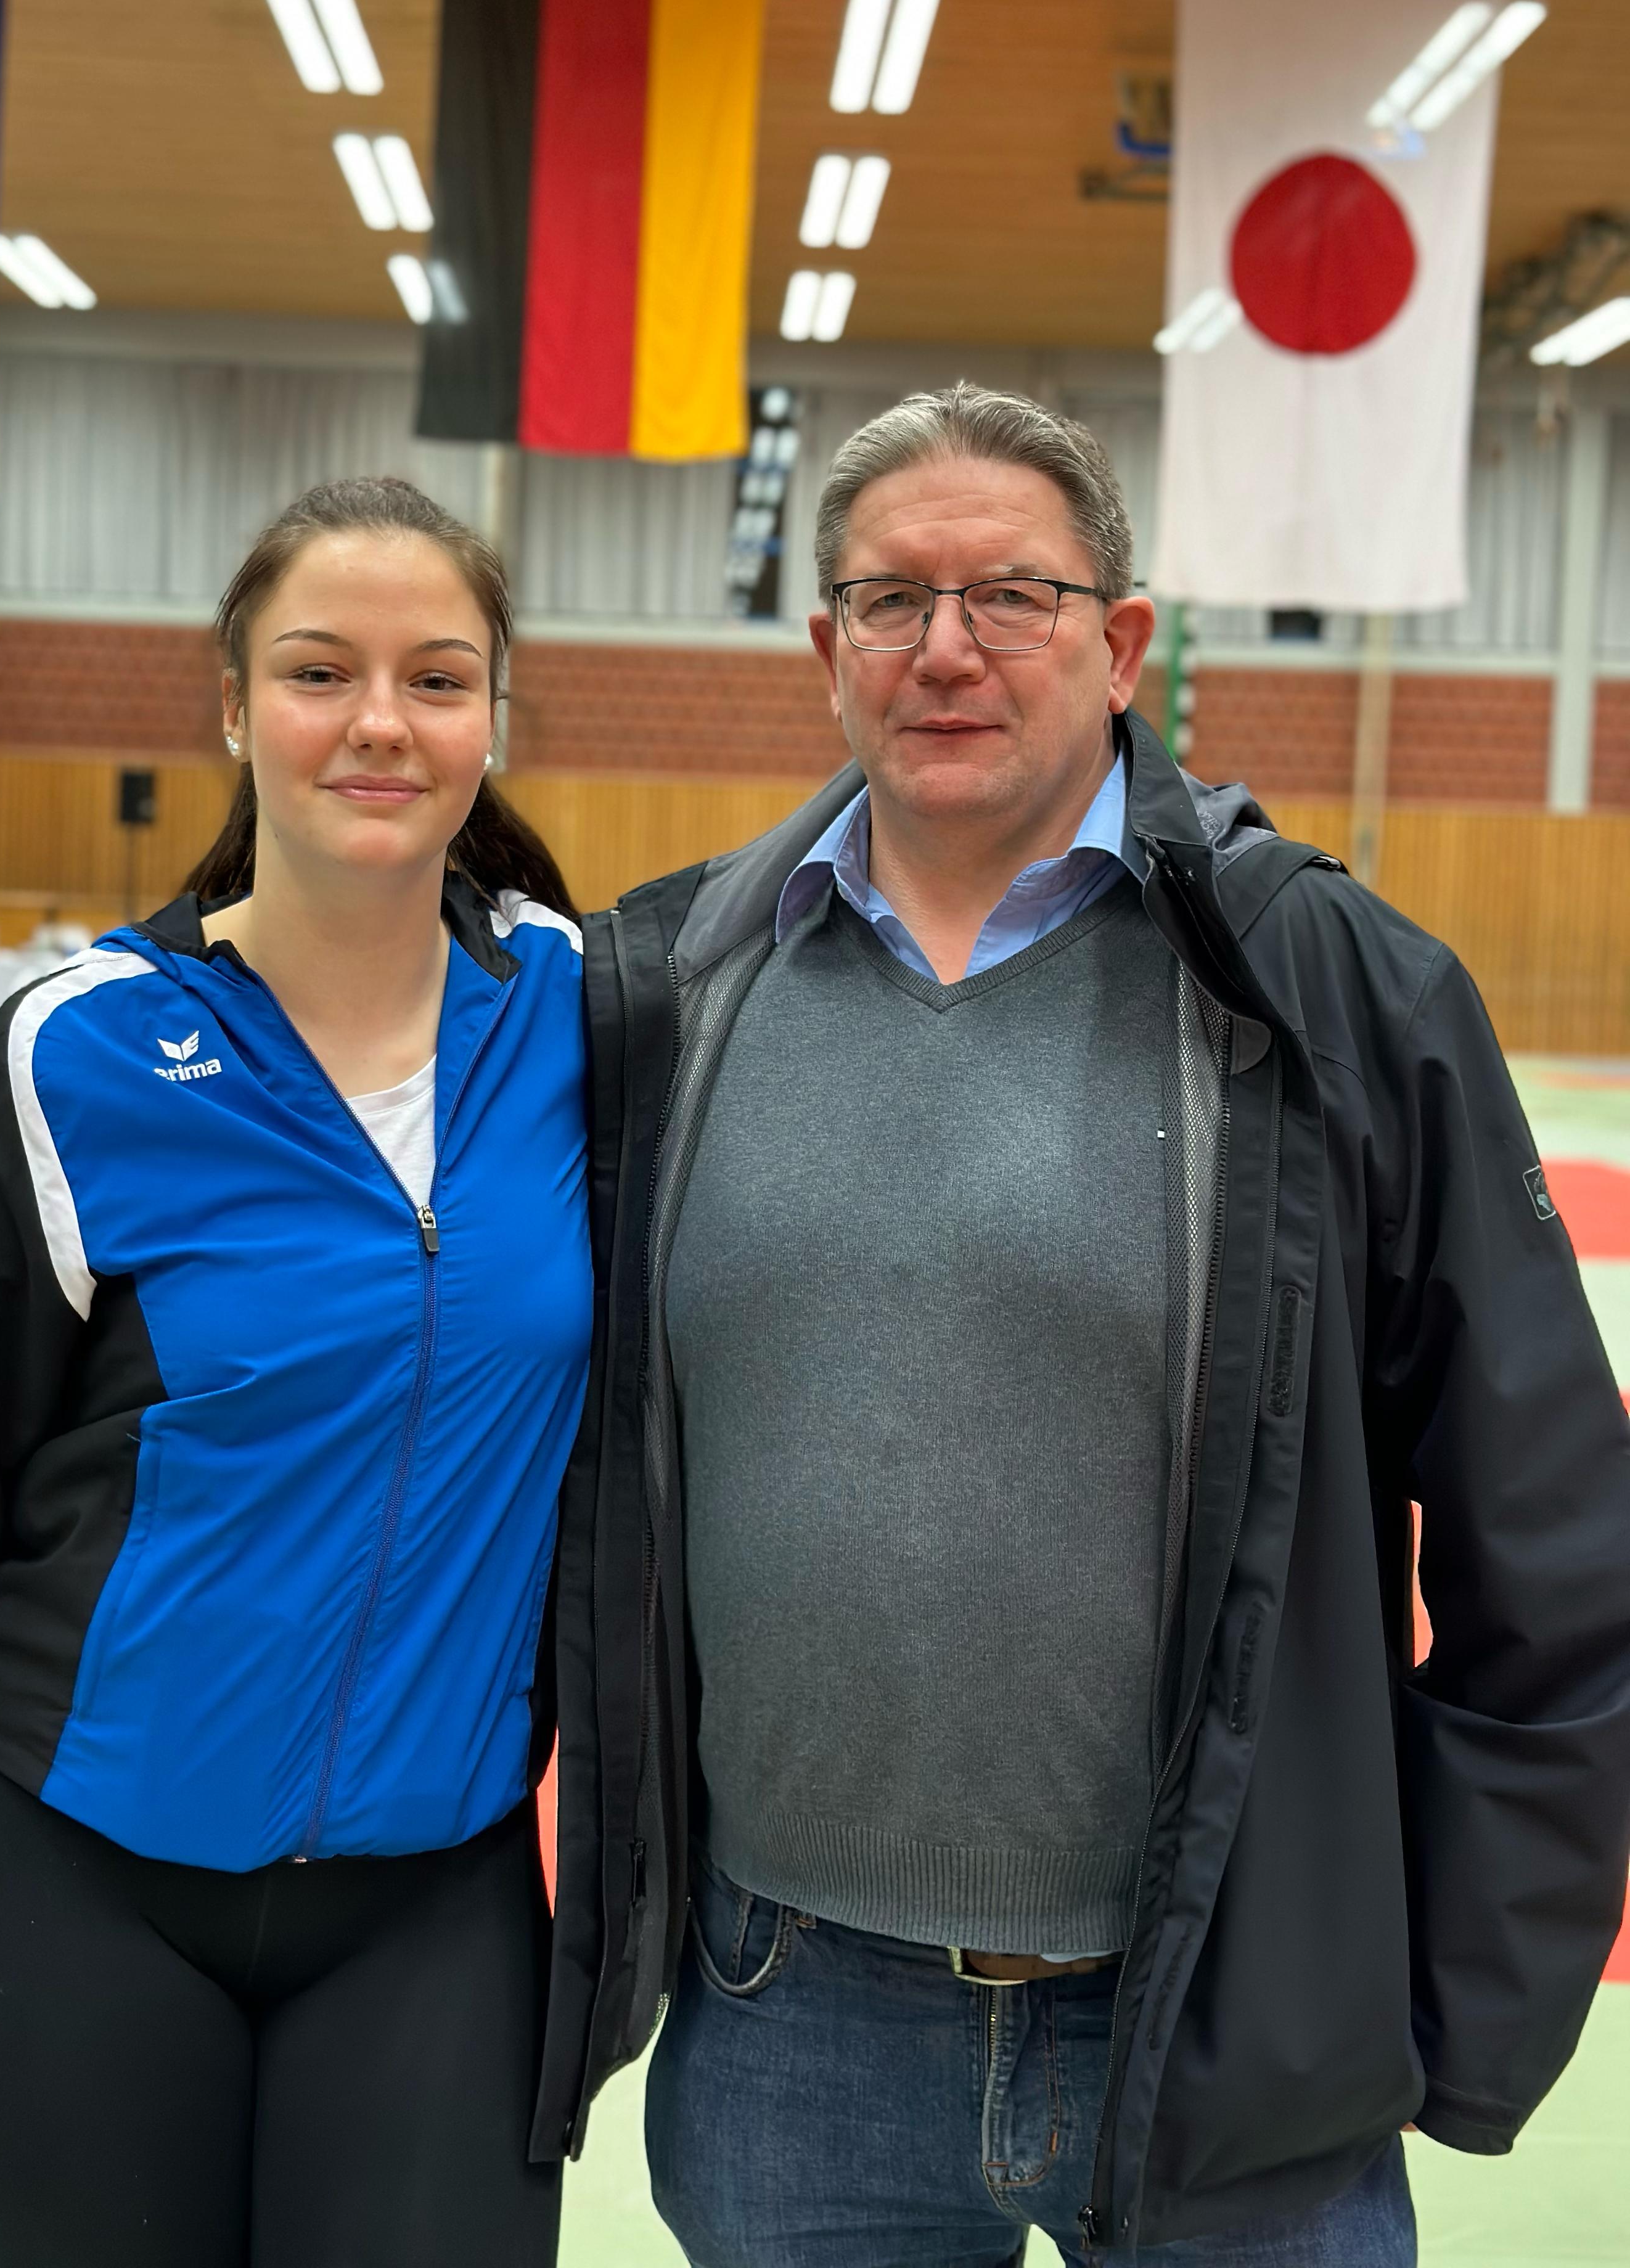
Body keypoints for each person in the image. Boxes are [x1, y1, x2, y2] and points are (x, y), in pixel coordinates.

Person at [531, 385, 1630, 2264]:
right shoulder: (667, 997)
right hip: (791, 2015)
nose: (947, 649)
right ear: (828, 652)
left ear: (1121, 645)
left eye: (1013, 598)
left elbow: (1558, 1538)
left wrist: (1466, 1987)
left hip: (1220, 2011)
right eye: (891, 602)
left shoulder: (1329, 993)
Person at [0, 477, 589, 2267]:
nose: (380, 721)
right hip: (74, 1891)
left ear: (493, 719)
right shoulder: (78, 1059)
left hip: (437, 1910)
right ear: (233, 704)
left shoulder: (585, 1016)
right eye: (320, 671)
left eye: (437, 678)